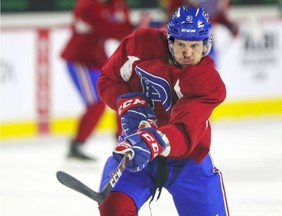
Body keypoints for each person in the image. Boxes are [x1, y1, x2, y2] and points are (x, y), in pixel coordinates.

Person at [97, 6, 229, 215]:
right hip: (135, 153)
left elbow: (185, 131)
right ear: (170, 41)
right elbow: (108, 79)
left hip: (188, 163)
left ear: (206, 45)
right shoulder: (139, 44)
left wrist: (151, 142)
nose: (188, 52)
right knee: (113, 207)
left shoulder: (208, 83)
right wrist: (129, 103)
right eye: (181, 45)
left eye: (195, 45)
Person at [60, 0, 133, 160]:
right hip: (80, 59)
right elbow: (109, 29)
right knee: (96, 104)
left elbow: (125, 29)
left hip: (98, 60)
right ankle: (77, 145)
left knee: (121, 97)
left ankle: (123, 142)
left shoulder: (116, 3)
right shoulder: (86, 5)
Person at [161, 0, 239, 62]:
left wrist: (229, 25)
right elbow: (171, 15)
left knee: (208, 72)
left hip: (205, 41)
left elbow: (218, 16)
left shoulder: (221, 1)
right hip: (181, 40)